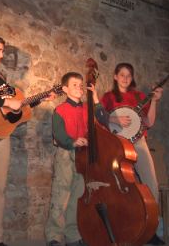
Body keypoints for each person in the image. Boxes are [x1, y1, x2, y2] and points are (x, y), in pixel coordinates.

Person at [0, 34, 55, 246]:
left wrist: (38, 99)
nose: (1, 55)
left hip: (2, 134)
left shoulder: (0, 78)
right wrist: (6, 101)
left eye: (2, 51)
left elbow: (17, 108)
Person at [100, 62, 164, 245]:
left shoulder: (139, 96)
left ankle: (151, 230)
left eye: (129, 75)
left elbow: (149, 122)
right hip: (118, 144)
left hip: (138, 141)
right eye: (122, 75)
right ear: (115, 76)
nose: (125, 78)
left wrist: (154, 101)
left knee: (151, 182)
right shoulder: (109, 97)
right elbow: (99, 116)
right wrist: (114, 117)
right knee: (120, 185)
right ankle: (121, 227)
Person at [45, 72, 108, 246]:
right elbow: (58, 135)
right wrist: (72, 141)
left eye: (81, 85)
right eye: (74, 85)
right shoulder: (60, 110)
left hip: (84, 156)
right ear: (65, 89)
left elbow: (104, 121)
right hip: (66, 153)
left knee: (77, 197)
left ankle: (72, 234)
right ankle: (54, 236)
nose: (79, 87)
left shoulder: (88, 109)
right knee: (61, 194)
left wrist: (95, 98)